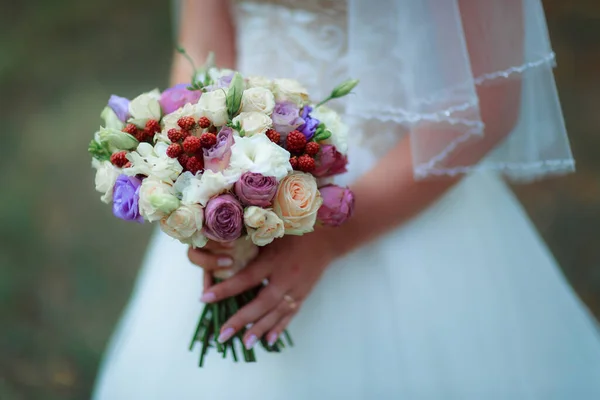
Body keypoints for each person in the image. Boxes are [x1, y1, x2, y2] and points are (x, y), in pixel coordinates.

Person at [93, 0, 600, 398]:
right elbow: (201, 50)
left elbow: (488, 100)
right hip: (240, 178)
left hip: (408, 189)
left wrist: (333, 239)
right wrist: (203, 190)